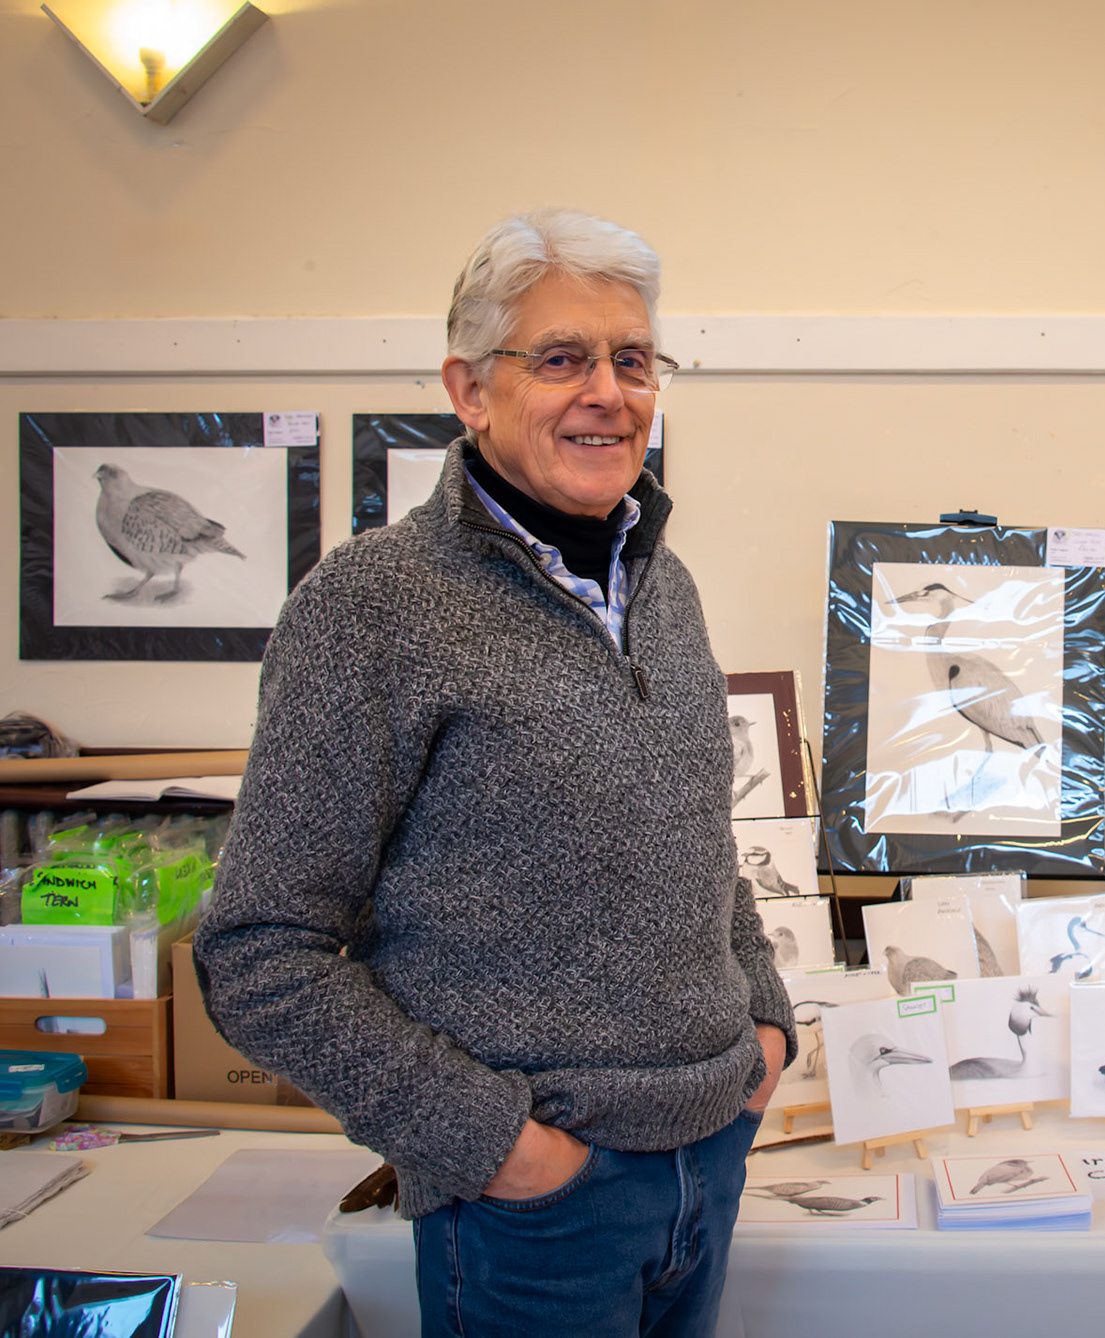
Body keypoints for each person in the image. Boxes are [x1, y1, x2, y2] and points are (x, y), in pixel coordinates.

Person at [195, 207, 794, 1337]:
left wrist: (761, 1026)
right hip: (537, 1208)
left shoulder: (666, 585)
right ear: (469, 390)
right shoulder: (370, 609)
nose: (608, 392)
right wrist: (496, 1147)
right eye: (562, 358)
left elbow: (701, 852)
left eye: (634, 359)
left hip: (708, 1164)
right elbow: (256, 954)